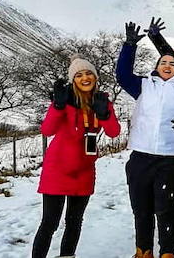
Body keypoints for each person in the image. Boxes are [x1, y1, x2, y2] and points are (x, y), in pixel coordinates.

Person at [117, 21, 174, 258]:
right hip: (141, 156)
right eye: (164, 62)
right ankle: (143, 251)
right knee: (141, 209)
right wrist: (129, 45)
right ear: (157, 66)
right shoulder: (144, 85)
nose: (168, 65)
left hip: (172, 158)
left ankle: (168, 251)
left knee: (167, 209)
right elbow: (122, 75)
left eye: (172, 63)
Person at [32, 55, 121, 258]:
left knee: (74, 221)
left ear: (95, 78)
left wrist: (104, 115)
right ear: (74, 80)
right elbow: (47, 130)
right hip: (57, 168)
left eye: (89, 73)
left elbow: (114, 132)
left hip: (84, 169)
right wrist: (58, 107)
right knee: (50, 222)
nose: (85, 78)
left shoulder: (102, 101)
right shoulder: (64, 99)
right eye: (79, 75)